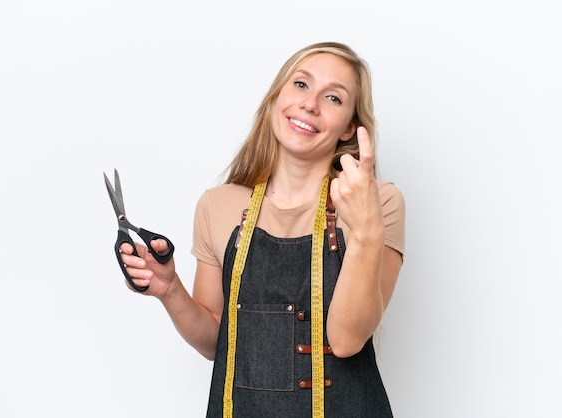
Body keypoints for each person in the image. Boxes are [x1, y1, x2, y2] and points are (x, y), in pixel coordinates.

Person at [117, 41, 405, 417]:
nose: (310, 103)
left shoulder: (378, 203)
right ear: (276, 98)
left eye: (333, 98)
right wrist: (170, 290)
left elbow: (347, 341)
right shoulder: (217, 205)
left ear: (351, 126)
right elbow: (215, 341)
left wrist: (365, 231)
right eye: (301, 85)